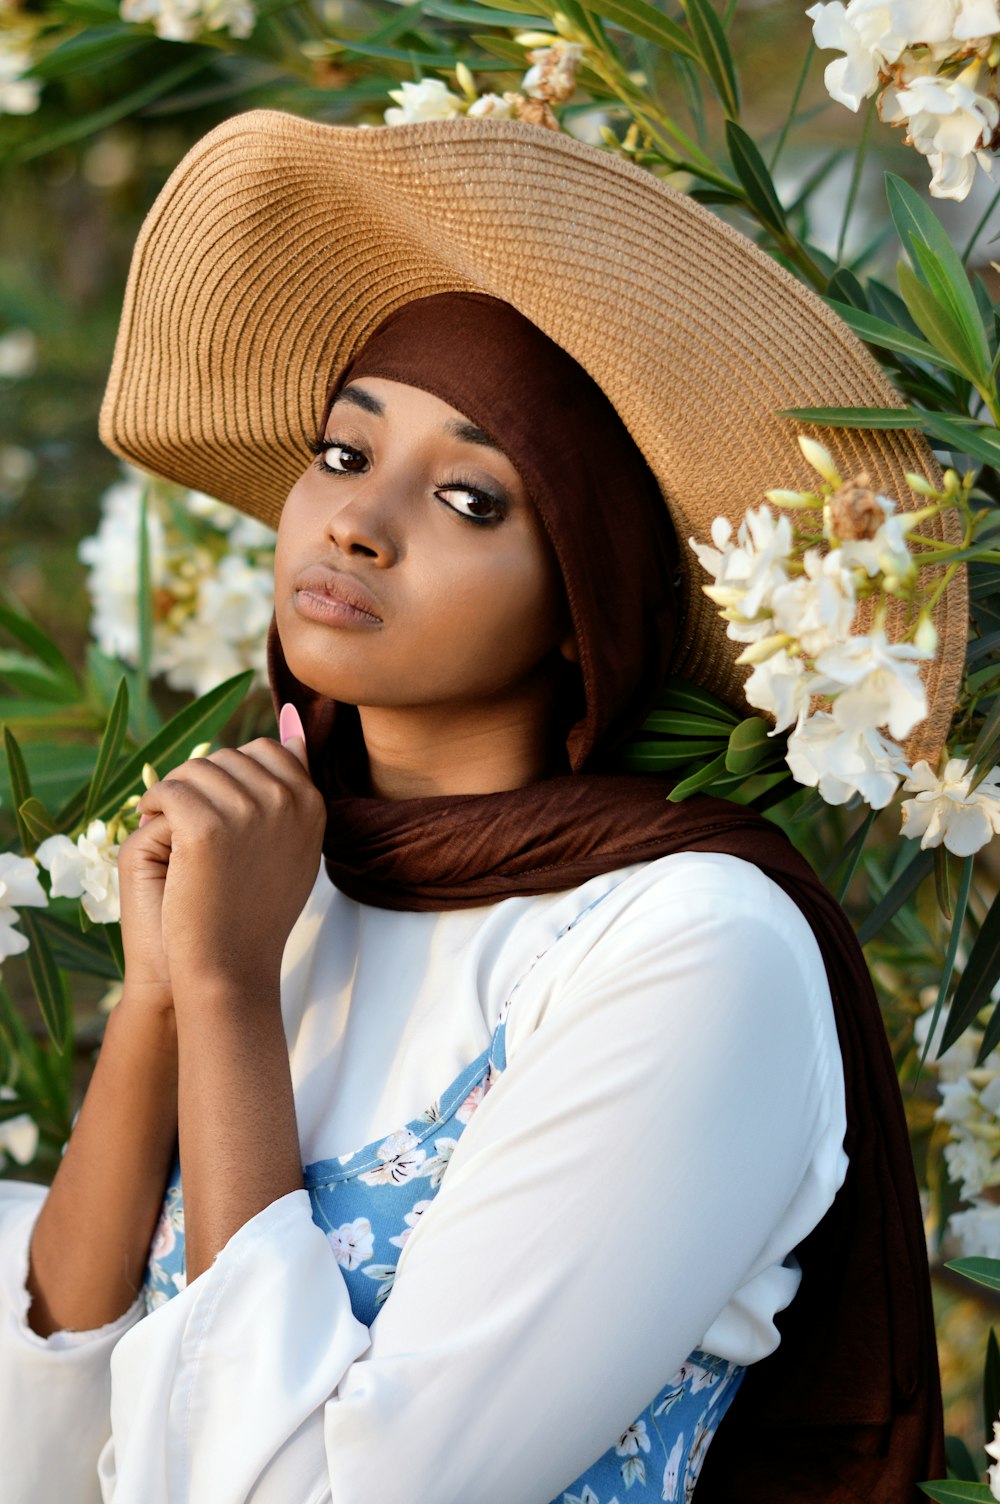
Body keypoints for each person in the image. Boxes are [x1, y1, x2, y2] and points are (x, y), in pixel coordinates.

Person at [0, 109, 955, 1503]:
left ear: (590, 601)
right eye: (340, 453)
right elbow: (41, 1444)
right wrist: (159, 998)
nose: (354, 523)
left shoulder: (690, 946)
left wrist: (222, 999)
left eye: (468, 496)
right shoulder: (288, 879)